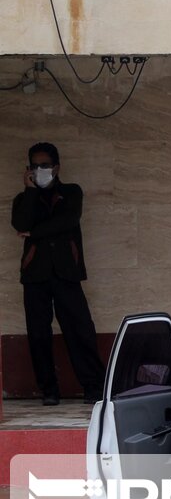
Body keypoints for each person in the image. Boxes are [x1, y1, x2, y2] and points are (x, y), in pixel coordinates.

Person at [11, 142, 105, 406]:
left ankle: (93, 386)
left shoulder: (71, 192)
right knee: (38, 334)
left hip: (66, 272)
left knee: (80, 330)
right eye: (35, 166)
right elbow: (20, 223)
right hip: (35, 275)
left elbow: (69, 220)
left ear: (56, 167)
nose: (40, 170)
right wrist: (30, 192)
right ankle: (48, 389)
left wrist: (36, 232)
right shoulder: (23, 199)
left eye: (45, 165)